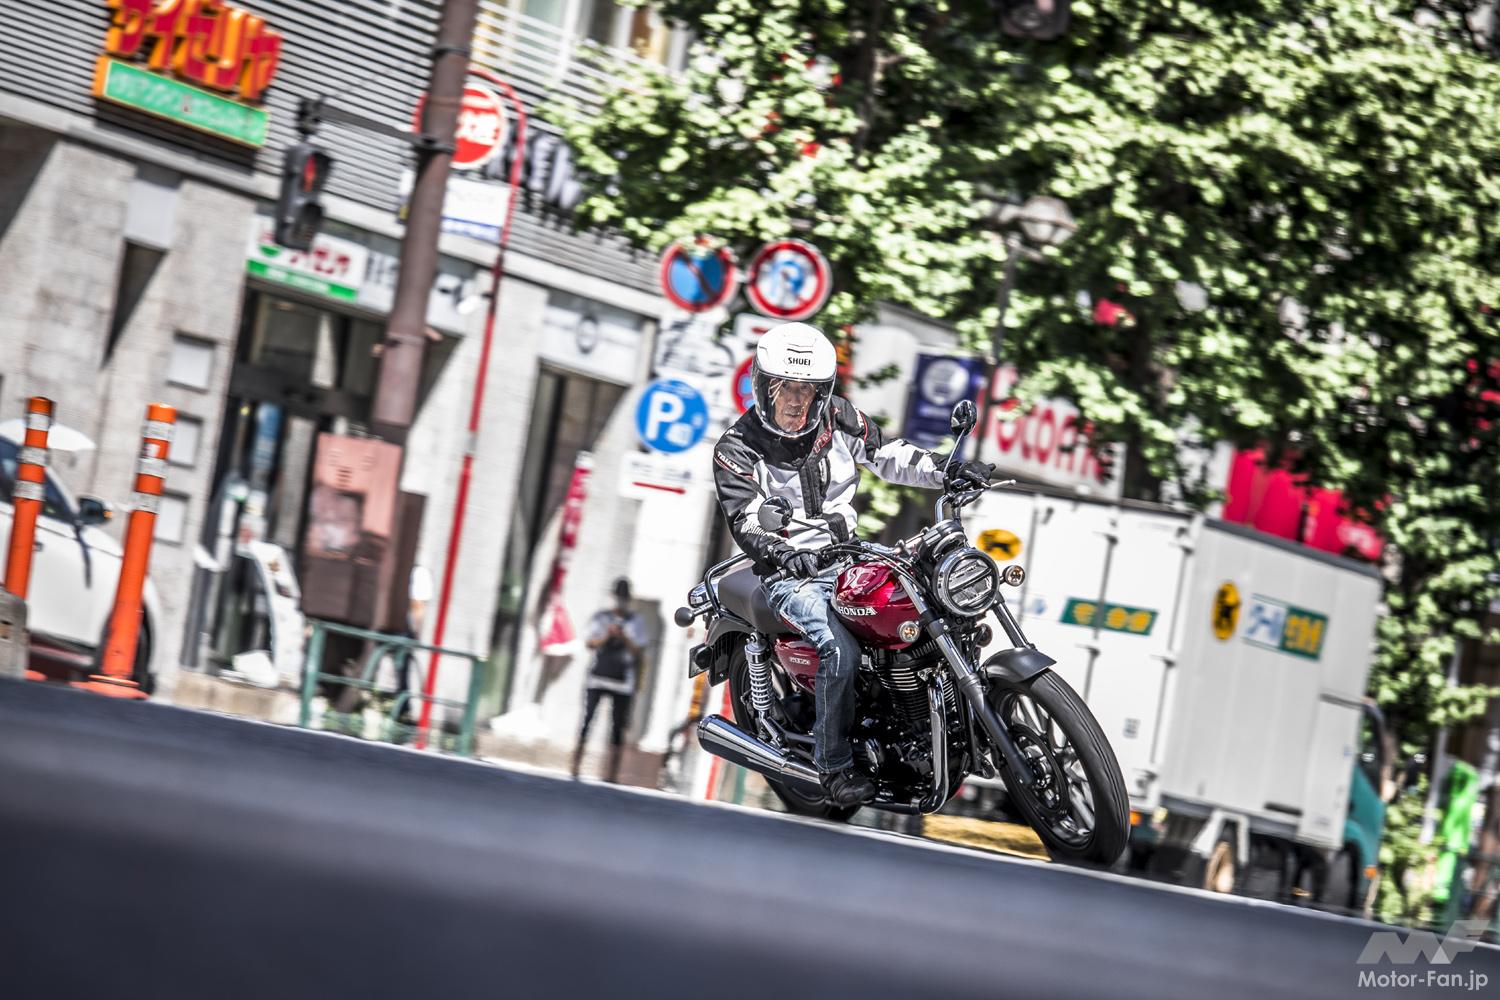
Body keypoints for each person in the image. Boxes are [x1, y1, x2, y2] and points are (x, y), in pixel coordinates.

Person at [711, 322, 992, 807]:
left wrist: (948, 470)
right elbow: (746, 520)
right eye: (784, 388)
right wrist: (784, 550)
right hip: (789, 572)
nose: (795, 401)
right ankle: (834, 766)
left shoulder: (838, 418)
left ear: (822, 392)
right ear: (763, 386)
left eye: (807, 390)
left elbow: (887, 455)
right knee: (838, 648)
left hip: (849, 556)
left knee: (925, 608)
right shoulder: (737, 447)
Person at [571, 577, 648, 783]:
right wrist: (607, 635)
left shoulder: (636, 621)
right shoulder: (601, 617)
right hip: (598, 677)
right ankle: (575, 765)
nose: (621, 601)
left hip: (623, 681)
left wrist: (624, 637)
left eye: (624, 597)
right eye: (619, 596)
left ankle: (612, 773)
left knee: (618, 727)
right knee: (587, 720)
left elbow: (639, 651)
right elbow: (589, 643)